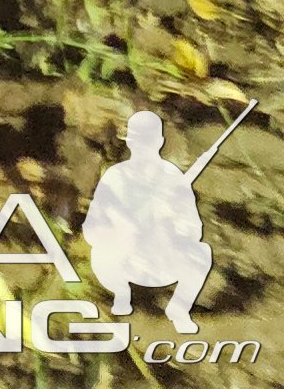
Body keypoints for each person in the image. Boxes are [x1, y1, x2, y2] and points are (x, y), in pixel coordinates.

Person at [83, 109, 214, 331]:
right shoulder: (116, 176)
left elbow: (194, 229)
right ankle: (121, 295)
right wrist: (122, 228)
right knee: (101, 255)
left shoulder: (173, 178)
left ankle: (179, 309)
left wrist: (172, 218)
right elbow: (92, 227)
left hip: (160, 254)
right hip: (121, 255)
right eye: (138, 141)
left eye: (148, 141)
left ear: (159, 142)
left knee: (201, 254)